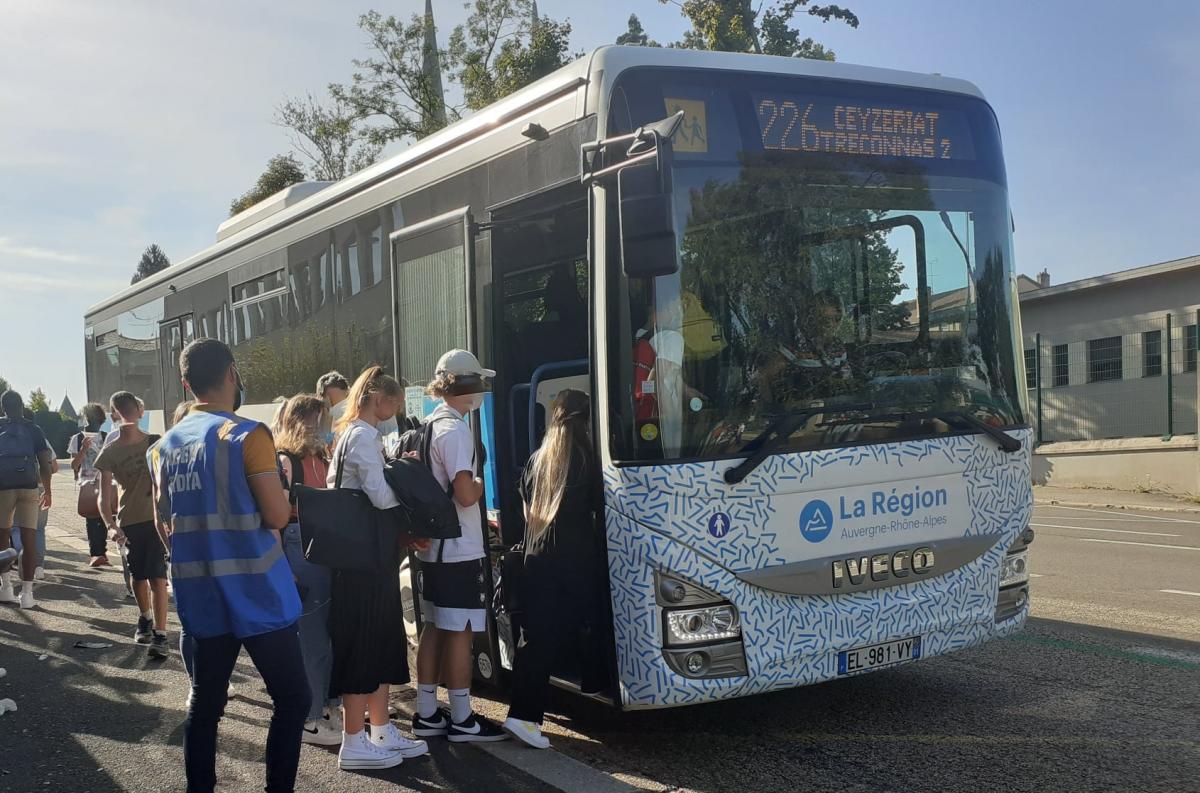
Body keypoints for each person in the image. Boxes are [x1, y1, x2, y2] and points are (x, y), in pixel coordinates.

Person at [152, 339, 309, 793]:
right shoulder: (246, 434)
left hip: (201, 598)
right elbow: (278, 516)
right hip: (257, 593)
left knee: (204, 705)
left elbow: (167, 526)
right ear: (232, 374)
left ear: (186, 384)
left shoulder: (163, 447)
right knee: (293, 698)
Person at [327, 366, 428, 770]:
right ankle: (355, 741)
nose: (397, 410)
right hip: (364, 558)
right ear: (378, 400)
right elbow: (381, 495)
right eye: (395, 403)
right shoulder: (364, 436)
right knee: (364, 642)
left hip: (361, 557)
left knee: (377, 639)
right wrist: (410, 487)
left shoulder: (353, 433)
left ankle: (379, 730)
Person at [411, 350, 507, 743]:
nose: (482, 389)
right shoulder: (455, 431)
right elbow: (465, 494)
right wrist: (483, 488)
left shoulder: (432, 424)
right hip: (457, 549)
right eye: (478, 382)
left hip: (433, 550)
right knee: (461, 629)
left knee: (434, 626)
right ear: (464, 385)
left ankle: (428, 712)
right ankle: (464, 718)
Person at [502, 390, 603, 748]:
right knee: (583, 626)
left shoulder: (537, 460)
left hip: (538, 557)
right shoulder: (585, 458)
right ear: (586, 421)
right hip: (573, 559)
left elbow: (529, 514)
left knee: (536, 639)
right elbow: (599, 507)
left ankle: (523, 714)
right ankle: (524, 718)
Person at [274, 394, 342, 746]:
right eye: (319, 419)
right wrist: (283, 568)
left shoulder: (324, 457)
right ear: (301, 421)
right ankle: (312, 716)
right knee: (313, 636)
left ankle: (329, 706)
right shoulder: (285, 462)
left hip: (326, 545)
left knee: (328, 634)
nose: (324, 427)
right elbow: (276, 517)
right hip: (302, 544)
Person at [95, 392, 170, 659]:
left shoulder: (156, 443)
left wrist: (111, 524)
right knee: (140, 576)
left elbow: (167, 482)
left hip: (152, 520)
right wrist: (111, 525)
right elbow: (103, 495)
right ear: (138, 411)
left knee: (158, 577)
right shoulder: (111, 451)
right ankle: (146, 617)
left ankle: (160, 633)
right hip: (133, 520)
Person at [0, 390, 54, 609]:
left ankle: (5, 587)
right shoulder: (33, 428)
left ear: (3, 407)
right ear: (22, 406)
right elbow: (45, 463)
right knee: (29, 540)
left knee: (3, 538)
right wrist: (47, 490)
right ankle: (27, 594)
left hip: (2, 489)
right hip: (29, 488)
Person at [12, 407, 54, 582]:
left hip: (10, 486)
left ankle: (23, 559)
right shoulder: (38, 435)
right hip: (37, 486)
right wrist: (48, 491)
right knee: (39, 529)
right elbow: (50, 466)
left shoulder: (5, 432)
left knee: (16, 527)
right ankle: (38, 567)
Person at [70, 402, 111, 567]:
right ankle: (97, 553)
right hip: (87, 481)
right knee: (92, 517)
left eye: (95, 420)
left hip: (107, 480)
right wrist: (83, 450)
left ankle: (102, 552)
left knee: (107, 515)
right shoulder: (78, 438)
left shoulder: (107, 436)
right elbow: (74, 464)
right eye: (89, 419)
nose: (91, 423)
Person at [316, 371, 350, 445]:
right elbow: (326, 444)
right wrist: (328, 422)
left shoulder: (357, 418)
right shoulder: (313, 420)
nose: (343, 408)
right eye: (332, 402)